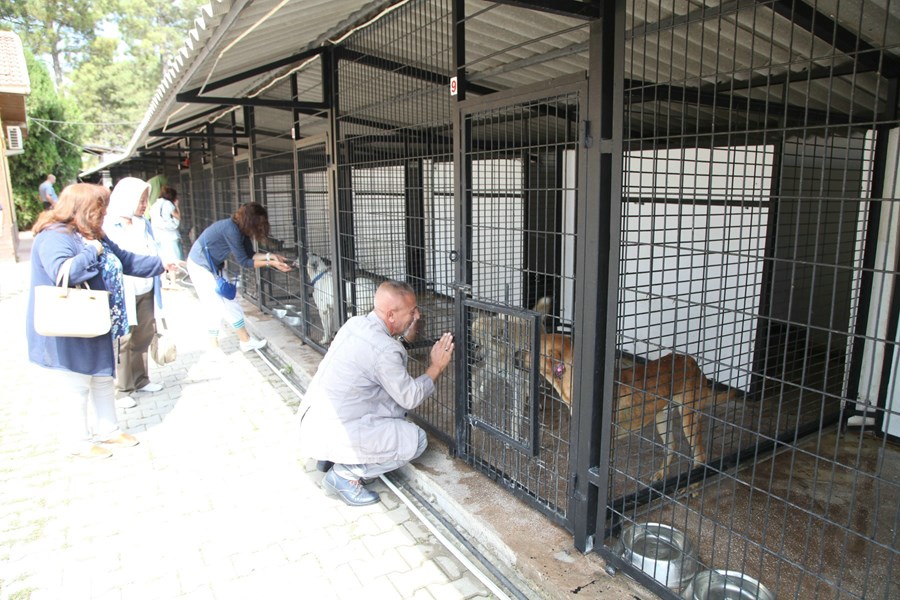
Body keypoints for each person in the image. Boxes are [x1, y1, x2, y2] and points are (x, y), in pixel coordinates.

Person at [26, 183, 173, 459]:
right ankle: (78, 441)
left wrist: (160, 264)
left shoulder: (92, 234)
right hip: (70, 324)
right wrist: (91, 252)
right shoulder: (54, 237)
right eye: (99, 208)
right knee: (77, 383)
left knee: (103, 376)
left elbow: (124, 260)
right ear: (82, 209)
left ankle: (109, 430)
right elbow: (63, 273)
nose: (104, 213)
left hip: (95, 320)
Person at [297, 280, 455, 506]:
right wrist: (436, 367)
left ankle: (330, 457)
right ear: (391, 316)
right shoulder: (385, 349)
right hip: (335, 430)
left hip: (314, 423)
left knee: (390, 409)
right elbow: (409, 397)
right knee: (416, 439)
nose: (417, 316)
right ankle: (345, 474)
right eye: (412, 311)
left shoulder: (355, 324)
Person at [186, 202, 292, 352]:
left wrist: (271, 257)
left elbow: (250, 255)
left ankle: (245, 341)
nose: (261, 227)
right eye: (259, 223)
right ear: (251, 220)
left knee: (231, 301)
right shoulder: (231, 230)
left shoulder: (241, 230)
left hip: (214, 267)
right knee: (215, 306)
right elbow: (244, 261)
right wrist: (270, 263)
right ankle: (213, 346)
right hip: (200, 265)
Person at [104, 177, 164, 409]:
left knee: (144, 333)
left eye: (145, 199)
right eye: (140, 200)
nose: (143, 204)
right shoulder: (109, 225)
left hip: (146, 287)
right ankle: (122, 389)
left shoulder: (143, 223)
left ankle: (141, 379)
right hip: (124, 290)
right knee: (124, 338)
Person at [150, 185, 182, 286]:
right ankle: (173, 283)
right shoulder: (168, 204)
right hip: (169, 236)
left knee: (163, 259)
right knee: (172, 259)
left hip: (157, 235)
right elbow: (177, 216)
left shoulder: (155, 204)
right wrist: (177, 206)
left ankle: (164, 281)